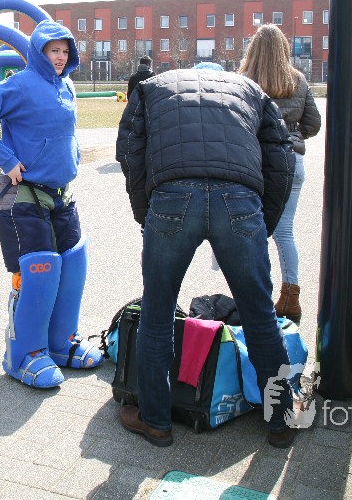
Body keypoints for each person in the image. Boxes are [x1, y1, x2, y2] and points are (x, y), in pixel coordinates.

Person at [115, 64, 299, 447]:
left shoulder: (150, 88)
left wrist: (146, 213)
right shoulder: (251, 90)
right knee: (260, 314)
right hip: (239, 197)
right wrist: (262, 221)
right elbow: (282, 155)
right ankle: (281, 420)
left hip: (172, 195)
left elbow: (129, 150)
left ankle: (155, 421)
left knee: (157, 312)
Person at [0, 19, 103, 389]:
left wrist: (72, 155)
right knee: (40, 271)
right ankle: (25, 355)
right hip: (23, 195)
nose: (60, 57)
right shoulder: (20, 84)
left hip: (61, 192)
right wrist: (7, 160)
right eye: (54, 50)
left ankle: (61, 343)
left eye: (65, 50)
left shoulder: (66, 84)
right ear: (39, 52)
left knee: (72, 265)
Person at [239, 25, 322, 324]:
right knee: (284, 232)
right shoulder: (297, 80)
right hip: (291, 160)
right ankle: (290, 296)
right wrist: (292, 135)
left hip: (255, 162)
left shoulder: (244, 82)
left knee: (249, 231)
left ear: (253, 50)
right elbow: (313, 124)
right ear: (284, 49)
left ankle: (255, 297)